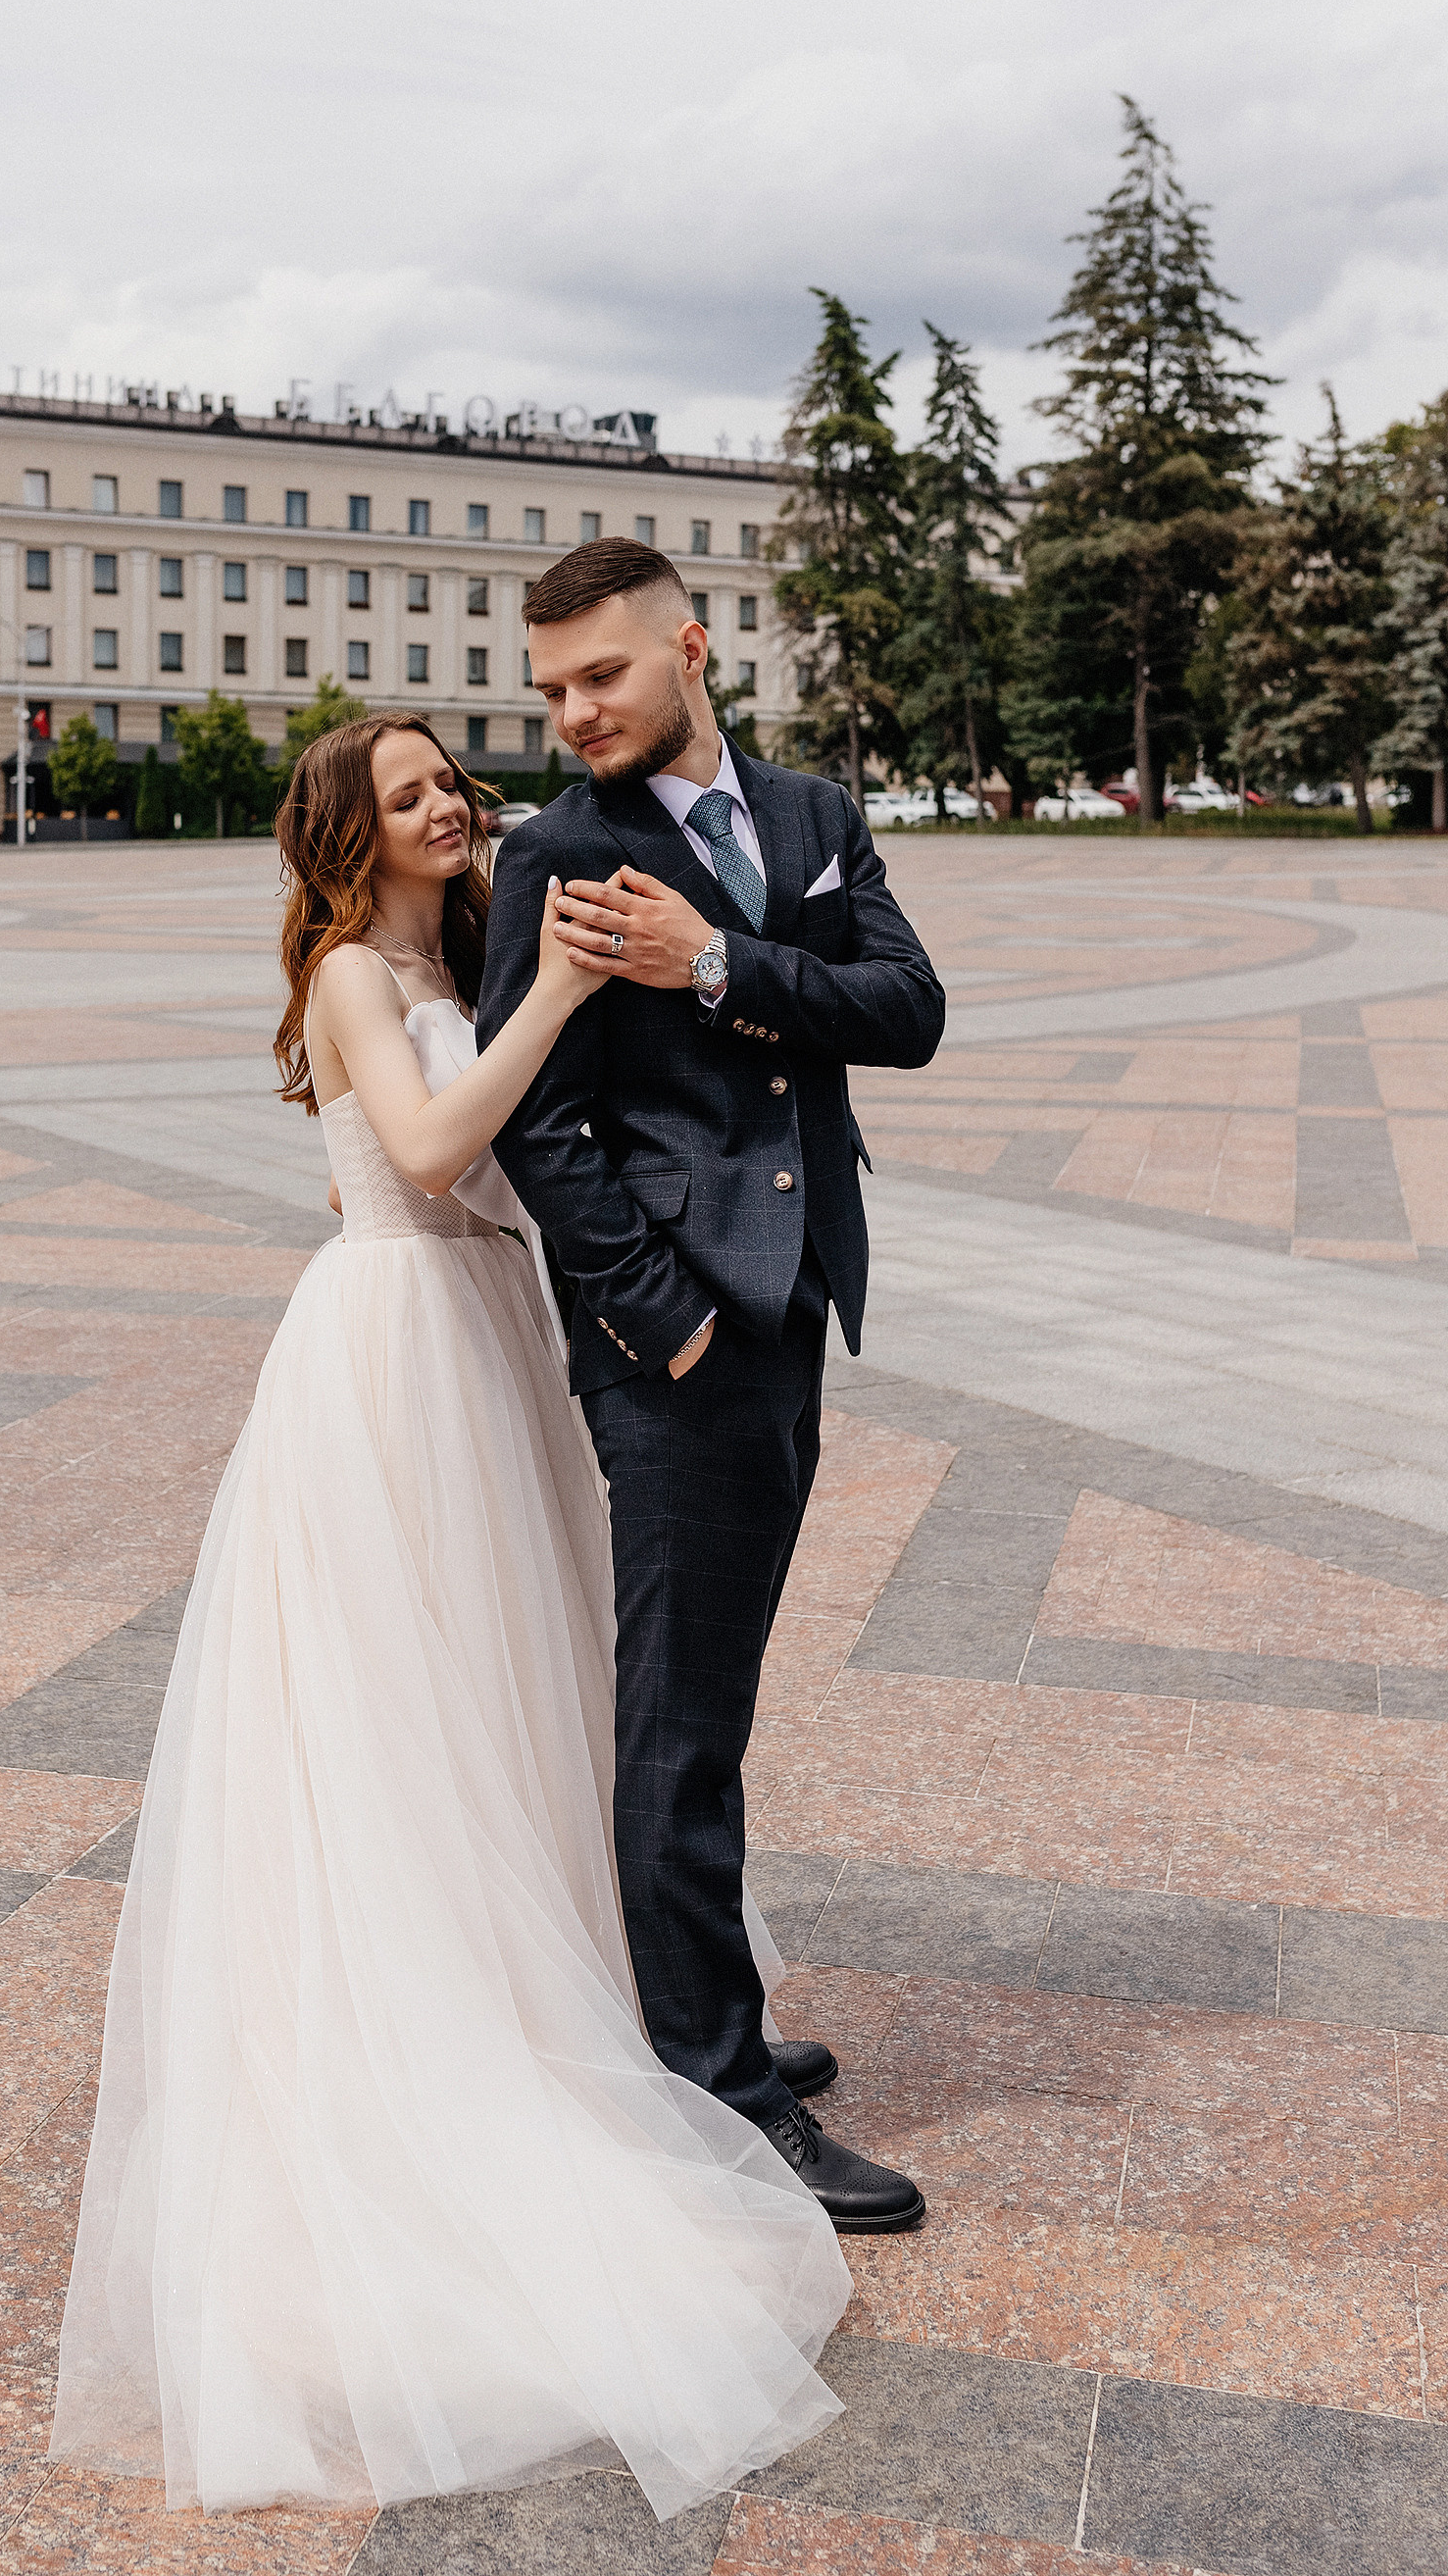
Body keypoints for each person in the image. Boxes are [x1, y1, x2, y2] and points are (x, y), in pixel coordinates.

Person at [51, 712, 852, 2525]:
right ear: (351, 831)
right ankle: (461, 2029)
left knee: (531, 1686)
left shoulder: (467, 937)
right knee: (411, 1698)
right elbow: (423, 1151)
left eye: (447, 780)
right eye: (408, 792)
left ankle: (597, 1992)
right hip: (394, 1343)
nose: (448, 802)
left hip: (492, 1337)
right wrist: (551, 1005)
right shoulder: (354, 971)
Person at [477, 535, 945, 2231]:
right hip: (676, 1340)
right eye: (549, 690)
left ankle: (696, 2011)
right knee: (679, 1716)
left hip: (801, 1301)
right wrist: (652, 1318)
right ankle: (721, 2093)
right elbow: (535, 1119)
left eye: (600, 675)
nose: (574, 712)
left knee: (718, 1691)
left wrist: (717, 965)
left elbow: (906, 1010)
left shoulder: (812, 817)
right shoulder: (557, 853)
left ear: (690, 648)